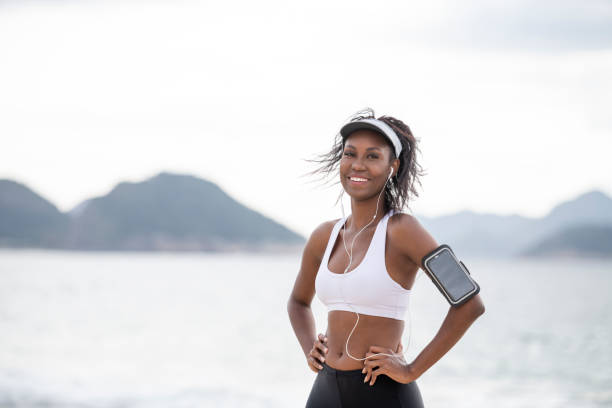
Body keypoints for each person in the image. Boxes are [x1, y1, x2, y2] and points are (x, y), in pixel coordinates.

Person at [287, 108, 486, 407]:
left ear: (392, 166)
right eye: (350, 153)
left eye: (372, 156)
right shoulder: (323, 236)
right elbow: (298, 302)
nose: (358, 165)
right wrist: (309, 349)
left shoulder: (403, 230)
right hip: (326, 390)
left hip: (383, 393)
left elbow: (470, 303)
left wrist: (411, 370)